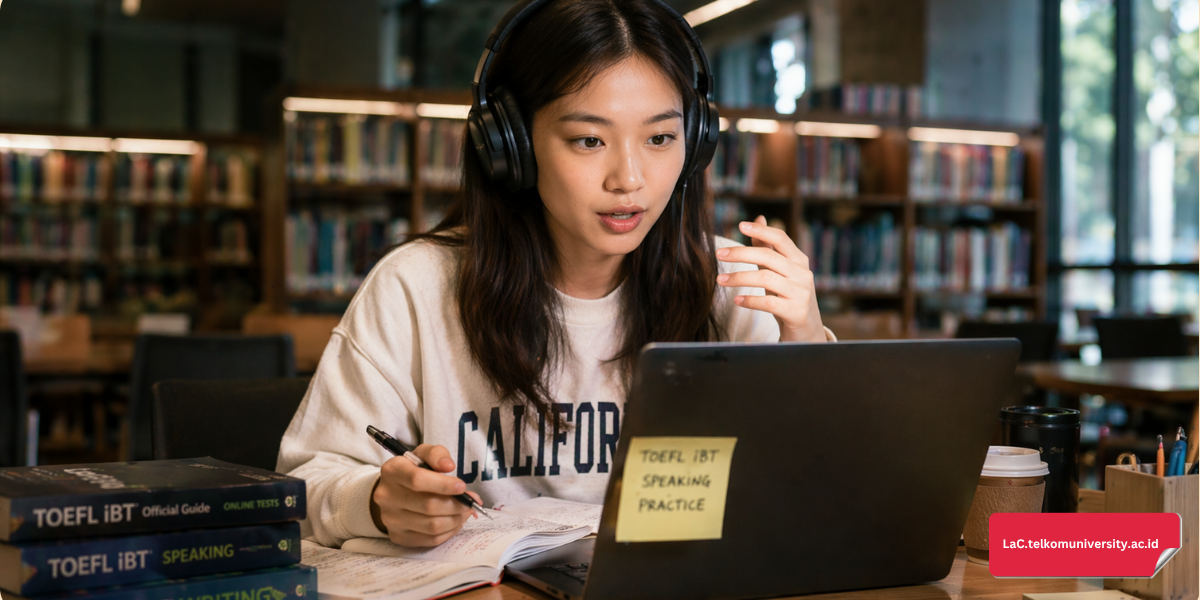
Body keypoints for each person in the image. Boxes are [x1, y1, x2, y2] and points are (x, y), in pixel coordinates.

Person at [277, 0, 834, 549]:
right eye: (589, 140)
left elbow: (818, 494)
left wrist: (807, 346)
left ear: (695, 146)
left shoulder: (733, 285)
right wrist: (376, 501)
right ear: (511, 146)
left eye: (660, 138)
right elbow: (302, 488)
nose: (630, 179)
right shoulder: (415, 287)